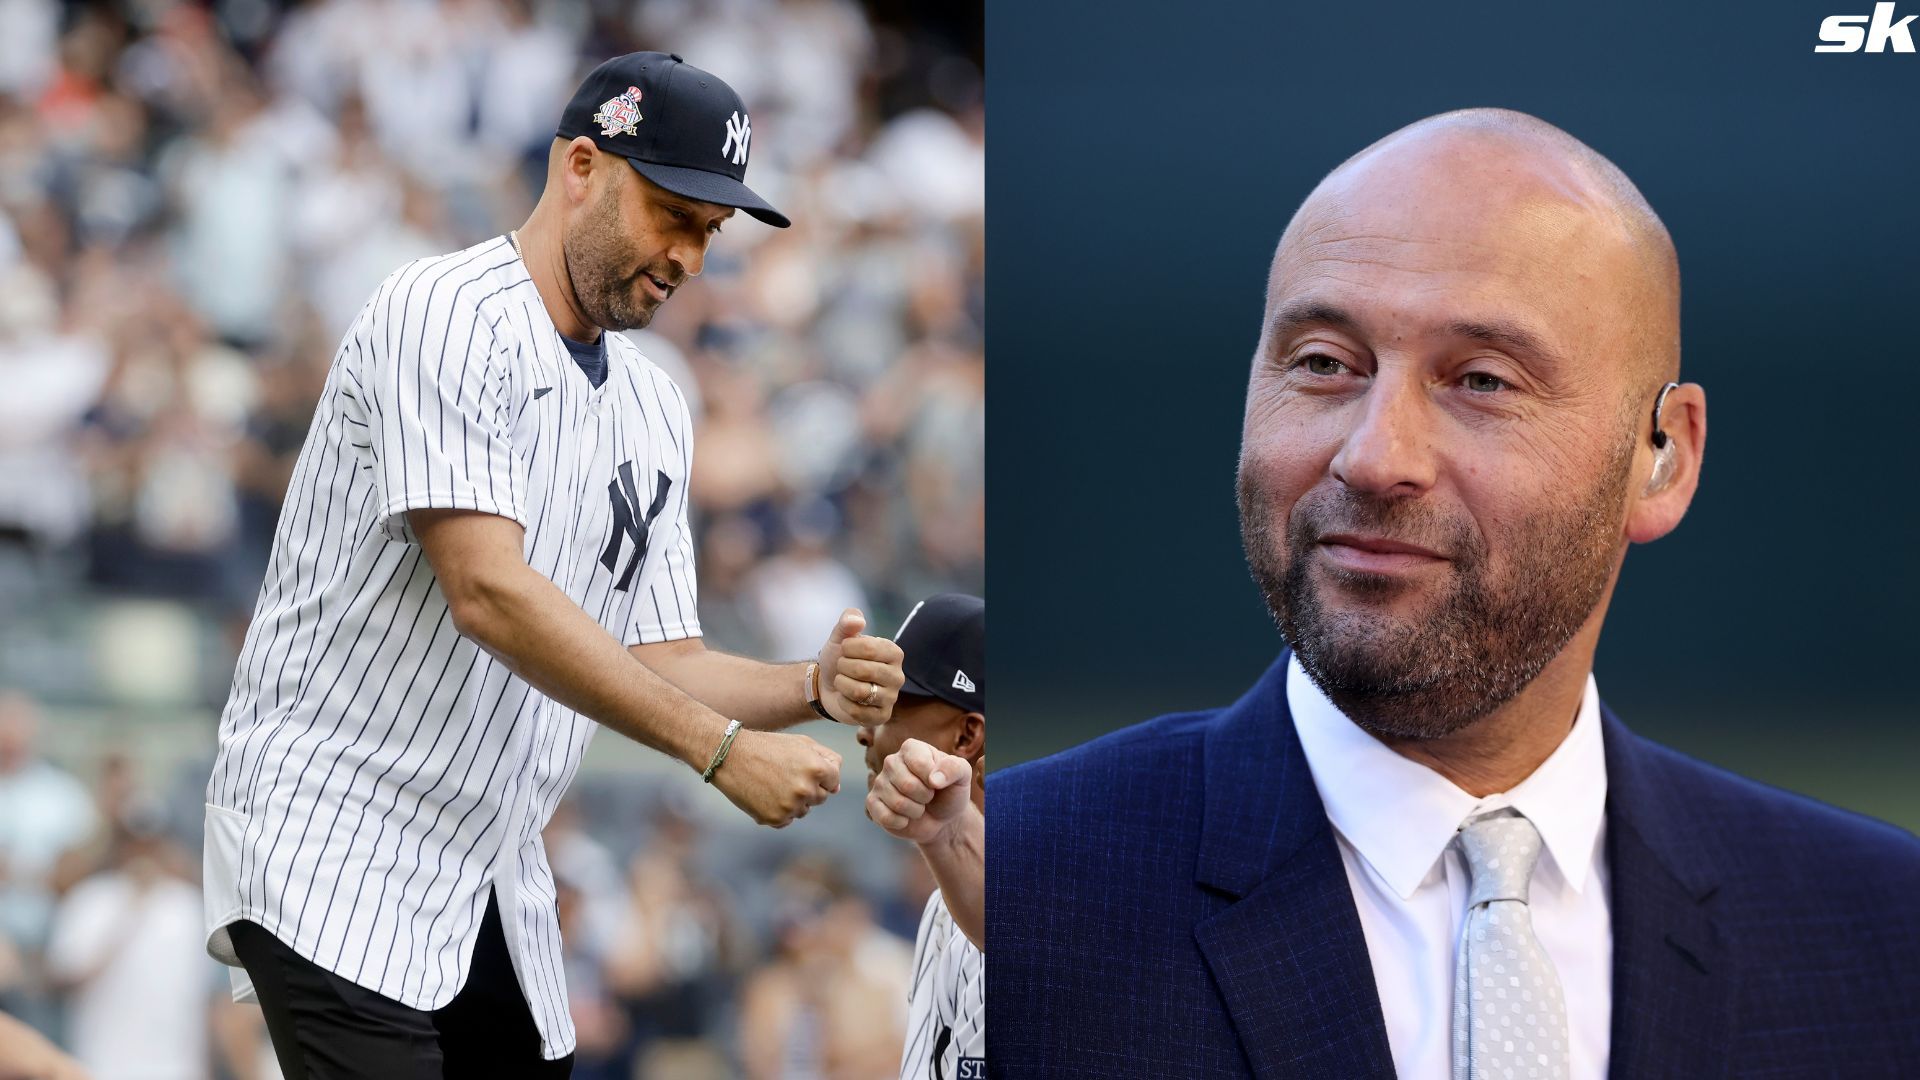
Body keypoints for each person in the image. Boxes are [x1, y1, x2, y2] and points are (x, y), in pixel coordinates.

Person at [988, 109, 1920, 1078]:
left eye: (1481, 380)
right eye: (1323, 365)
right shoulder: (1013, 893)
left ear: (1666, 456)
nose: (1374, 456)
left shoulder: (1880, 933)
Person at [201, 52, 906, 1079]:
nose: (690, 260)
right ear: (582, 166)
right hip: (334, 834)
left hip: (490, 863)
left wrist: (808, 688)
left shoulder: (659, 401)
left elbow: (664, 655)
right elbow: (487, 590)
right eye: (672, 213)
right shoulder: (444, 310)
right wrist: (717, 752)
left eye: (709, 232)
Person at [860, 593, 984, 1079]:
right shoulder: (942, 902)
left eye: (891, 710)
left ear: (965, 737)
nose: (865, 732)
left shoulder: (1054, 878)